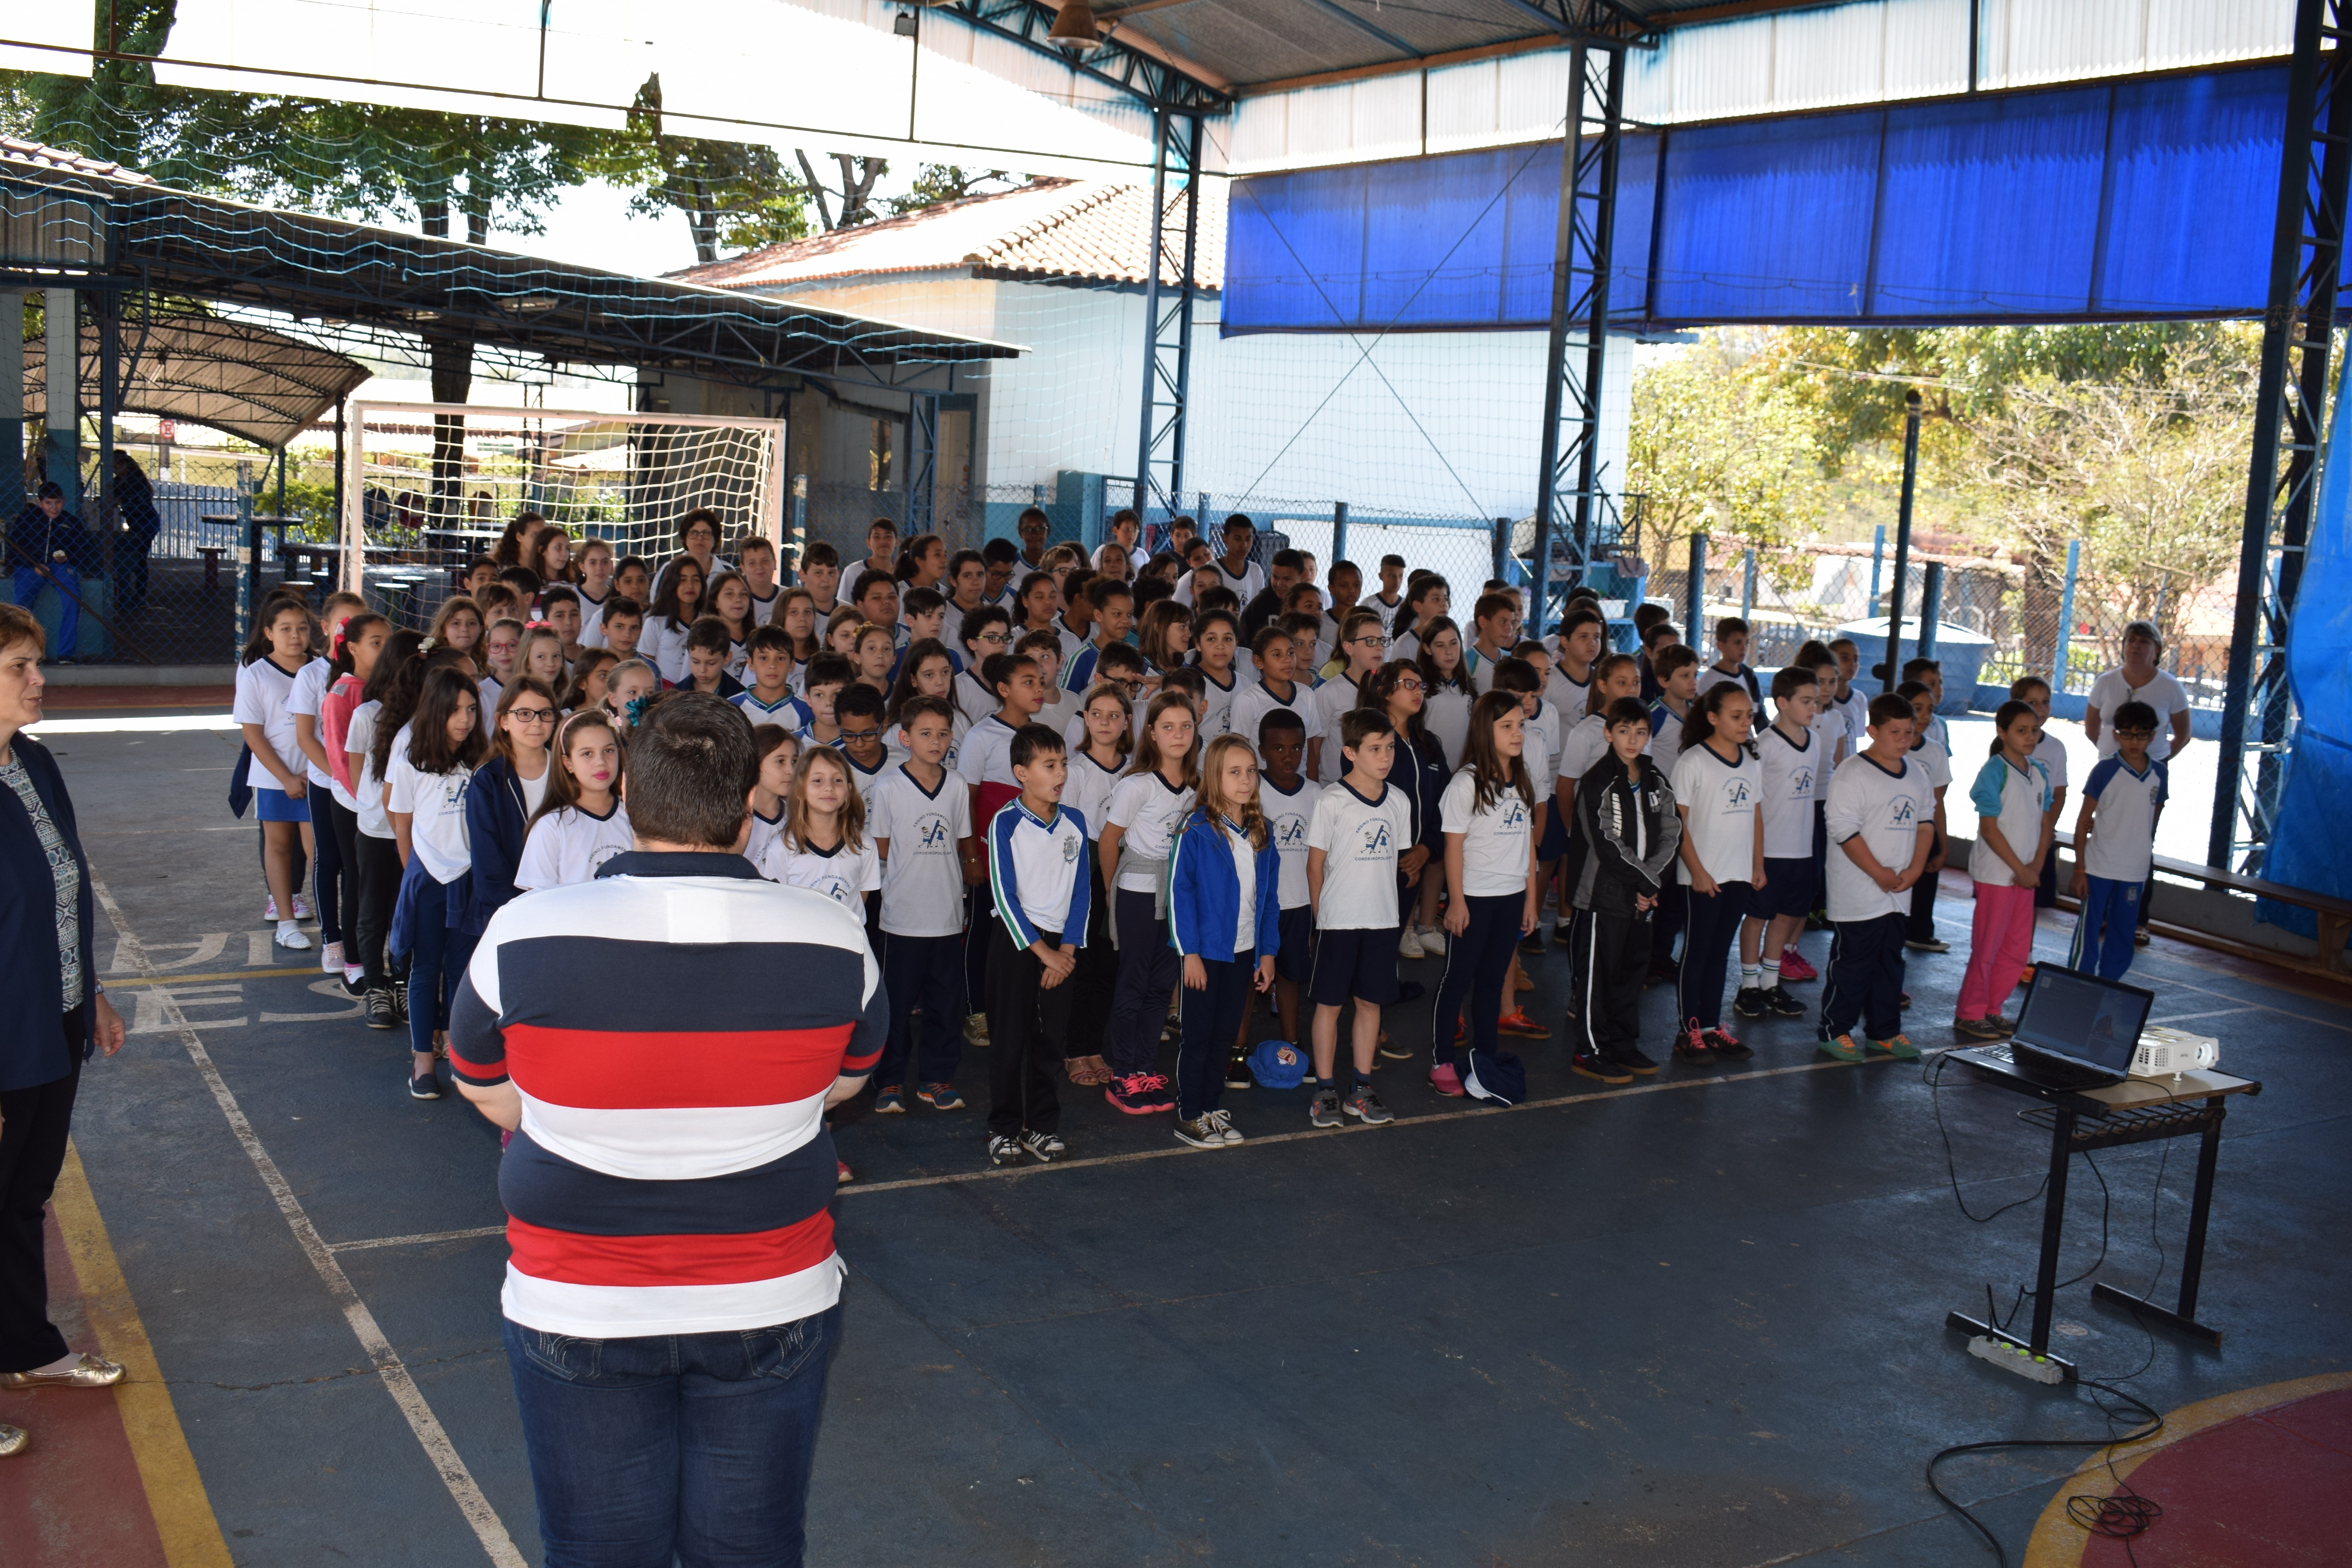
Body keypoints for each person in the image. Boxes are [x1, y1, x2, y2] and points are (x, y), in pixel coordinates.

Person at [448, 693, 878, 1567]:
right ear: (750, 803)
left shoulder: (523, 932)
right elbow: (843, 1084)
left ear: (631, 795)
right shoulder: (834, 938)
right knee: (750, 1549)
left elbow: (484, 1087)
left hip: (579, 1303)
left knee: (599, 1551)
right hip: (770, 1298)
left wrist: (586, 1116)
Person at [0, 603, 129, 1459]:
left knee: (23, 1193)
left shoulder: (34, 763)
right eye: (20, 666)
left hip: (53, 1017)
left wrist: (96, 993)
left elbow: (62, 890)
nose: (40, 678)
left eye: (36, 662)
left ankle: (24, 1347)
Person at [984, 723, 1091, 1167]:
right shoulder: (1005, 823)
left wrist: (1066, 952)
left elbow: (1083, 892)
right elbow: (1003, 896)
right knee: (1009, 1041)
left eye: (1063, 763)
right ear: (1022, 773)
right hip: (1016, 943)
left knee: (1050, 1042)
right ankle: (1004, 1129)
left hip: (1060, 951)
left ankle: (1042, 1127)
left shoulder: (1076, 822)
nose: (1061, 773)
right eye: (1049, 765)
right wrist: (1044, 953)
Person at [1167, 733, 1282, 1148]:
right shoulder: (1195, 830)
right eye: (1235, 772)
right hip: (1205, 953)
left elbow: (1269, 900)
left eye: (1251, 771)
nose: (1246, 780)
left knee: (1224, 1035)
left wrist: (1267, 953)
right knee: (1198, 1035)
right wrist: (1190, 954)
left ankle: (1210, 1107)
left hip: (1244, 950)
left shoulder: (1263, 831)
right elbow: (1179, 895)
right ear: (1214, 777)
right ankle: (1189, 1114)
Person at [1304, 709, 1416, 1127]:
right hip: (1338, 922)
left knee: (1371, 1003)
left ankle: (1361, 1089)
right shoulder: (1331, 800)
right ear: (1351, 752)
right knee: (1330, 1004)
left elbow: (1394, 862)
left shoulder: (1399, 801)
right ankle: (1325, 1090)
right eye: (1374, 749)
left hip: (1382, 921)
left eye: (1390, 748)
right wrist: (1321, 917)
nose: (1385, 757)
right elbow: (1315, 865)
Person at [869, 696, 981, 1114]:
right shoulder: (888, 786)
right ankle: (890, 1080)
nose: (936, 741)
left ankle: (937, 1078)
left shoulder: (956, 785)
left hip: (947, 915)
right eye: (925, 733)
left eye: (943, 734)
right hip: (902, 917)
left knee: (945, 1005)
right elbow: (882, 846)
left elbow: (961, 838)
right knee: (896, 1007)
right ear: (905, 738)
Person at [1428, 690, 1541, 1096]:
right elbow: (1453, 846)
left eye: (1520, 726)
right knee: (1458, 979)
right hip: (1474, 899)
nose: (1517, 734)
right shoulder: (1466, 782)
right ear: (1484, 730)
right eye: (1506, 726)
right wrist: (1456, 901)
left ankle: (1485, 1059)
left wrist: (1531, 900)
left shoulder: (1523, 779)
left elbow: (1528, 845)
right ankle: (1442, 1061)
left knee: (1493, 981)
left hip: (1512, 897)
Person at [1097, 692, 1200, 1114]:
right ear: (1152, 733)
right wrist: (1112, 893)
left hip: (1175, 894)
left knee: (1160, 986)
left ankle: (1144, 1068)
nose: (1178, 734)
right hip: (1138, 893)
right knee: (1133, 983)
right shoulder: (1137, 785)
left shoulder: (1197, 788)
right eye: (1168, 727)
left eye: (1186, 726)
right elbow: (1108, 841)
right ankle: (1122, 1072)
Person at [387, 666, 487, 1099]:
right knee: (426, 967)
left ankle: (456, 1047)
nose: (464, 719)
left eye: (471, 709)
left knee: (462, 969)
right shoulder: (411, 758)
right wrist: (416, 874)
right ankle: (422, 1059)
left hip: (470, 879)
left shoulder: (482, 758)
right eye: (454, 710)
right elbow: (402, 823)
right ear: (435, 710)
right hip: (429, 877)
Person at [1568, 698, 1681, 1082]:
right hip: (1604, 896)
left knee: (1633, 972)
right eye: (1624, 731)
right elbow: (1606, 843)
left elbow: (1673, 832)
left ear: (1649, 736)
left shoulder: (1655, 778)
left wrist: (1652, 882)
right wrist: (1645, 882)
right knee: (1598, 976)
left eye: (1641, 732)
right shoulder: (1597, 781)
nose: (1632, 740)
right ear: (1608, 733)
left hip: (1644, 897)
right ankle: (1590, 1050)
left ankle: (1621, 1042)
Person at [1818, 693, 1935, 1062]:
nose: (1903, 740)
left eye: (1909, 733)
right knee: (1853, 964)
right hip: (1858, 891)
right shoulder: (1852, 772)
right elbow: (1842, 829)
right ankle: (1835, 1030)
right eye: (1894, 732)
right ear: (1872, 731)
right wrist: (1878, 873)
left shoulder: (1916, 773)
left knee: (1890, 962)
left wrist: (1914, 870)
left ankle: (1884, 1032)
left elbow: (1926, 824)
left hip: (1898, 891)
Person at [1668, 681, 1762, 1065]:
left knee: (1720, 952)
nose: (1745, 723)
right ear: (1712, 718)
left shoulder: (1751, 760)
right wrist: (1697, 871)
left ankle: (1710, 1026)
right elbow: (1677, 823)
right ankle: (1688, 1031)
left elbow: (1756, 815)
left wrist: (1757, 864)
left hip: (1739, 875)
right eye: (1736, 716)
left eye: (1749, 716)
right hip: (1703, 878)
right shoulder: (1693, 761)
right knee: (1697, 952)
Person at [2084, 621, 2192, 945]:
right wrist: (2115, 761)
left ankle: (2137, 920)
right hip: (2110, 774)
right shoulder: (2106, 682)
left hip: (2148, 777)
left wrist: (2155, 763)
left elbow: (2183, 734)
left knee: (2142, 842)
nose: (2136, 646)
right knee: (2105, 835)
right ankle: (2102, 912)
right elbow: (2092, 727)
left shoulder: (2170, 687)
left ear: (2156, 650)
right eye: (2131, 640)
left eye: (2144, 642)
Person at [1955, 700, 2056, 1039]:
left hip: (2025, 877)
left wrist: (2035, 866)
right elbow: (1990, 829)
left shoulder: (2038, 772)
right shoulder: (1994, 771)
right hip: (1997, 875)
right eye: (2021, 731)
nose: (2030, 737)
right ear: (2002, 732)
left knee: (2015, 949)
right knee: (1988, 946)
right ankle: (1970, 1012)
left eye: (2035, 731)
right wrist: (2019, 868)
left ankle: (1993, 1008)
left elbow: (2045, 824)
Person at [236, 597, 327, 952]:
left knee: (318, 851)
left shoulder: (321, 669)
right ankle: (286, 924)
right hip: (274, 777)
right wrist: (286, 777)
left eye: (302, 628)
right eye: (286, 629)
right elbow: (253, 733)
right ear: (269, 633)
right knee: (278, 846)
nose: (295, 636)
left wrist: (314, 768)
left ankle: (330, 928)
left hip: (317, 776)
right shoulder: (256, 673)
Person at [1733, 667, 1822, 1024]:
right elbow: (1752, 802)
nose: (1813, 708)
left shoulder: (1815, 741)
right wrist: (1755, 857)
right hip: (1769, 850)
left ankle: (1771, 983)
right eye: (1806, 701)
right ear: (1782, 703)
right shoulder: (1764, 745)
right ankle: (1749, 985)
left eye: (1816, 701)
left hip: (1801, 850)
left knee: (1786, 916)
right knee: (1757, 917)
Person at [2069, 700, 2167, 982]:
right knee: (2090, 927)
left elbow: (2153, 819)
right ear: (2116, 735)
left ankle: (2110, 982)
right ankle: (2079, 981)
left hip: (2134, 870)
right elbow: (2083, 820)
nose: (2134, 742)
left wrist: (2143, 851)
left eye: (2141, 735)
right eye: (2127, 734)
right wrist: (2080, 868)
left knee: (2124, 930)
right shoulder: (2105, 770)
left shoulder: (2160, 773)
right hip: (2099, 865)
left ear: (2152, 736)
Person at [463, 679, 560, 927]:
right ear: (503, 721)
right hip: (509, 912)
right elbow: (487, 862)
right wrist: (519, 913)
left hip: (562, 903)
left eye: (545, 713)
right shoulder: (488, 779)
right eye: (524, 714)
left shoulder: (567, 770)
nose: (537, 723)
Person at [514, 710, 632, 891]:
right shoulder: (551, 827)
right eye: (587, 754)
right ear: (568, 763)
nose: (601, 762)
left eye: (608, 751)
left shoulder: (636, 815)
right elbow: (538, 901)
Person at [7, 483, 95, 661]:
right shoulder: (27, 519)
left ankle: (66, 654)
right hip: (31, 566)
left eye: (58, 503)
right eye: (48, 503)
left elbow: (86, 550)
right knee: (20, 607)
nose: (54, 508)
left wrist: (68, 557)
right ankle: (24, 653)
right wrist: (33, 564)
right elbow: (14, 549)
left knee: (73, 600)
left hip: (60, 567)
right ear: (40, 503)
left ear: (64, 501)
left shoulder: (71, 522)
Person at [1897, 680, 1953, 954]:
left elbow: (1938, 802)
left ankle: (1920, 932)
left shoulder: (1936, 751)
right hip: (1895, 831)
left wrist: (1942, 846)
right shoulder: (1892, 747)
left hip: (1924, 830)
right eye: (1917, 708)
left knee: (1925, 883)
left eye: (1930, 709)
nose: (1925, 716)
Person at [111, 452, 162, 617]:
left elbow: (138, 500)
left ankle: (140, 595)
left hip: (147, 522)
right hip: (135, 523)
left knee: (140, 558)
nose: (116, 470)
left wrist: (122, 501)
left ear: (126, 465)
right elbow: (113, 497)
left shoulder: (137, 481)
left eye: (118, 466)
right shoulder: (118, 481)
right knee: (132, 556)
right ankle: (131, 594)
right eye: (114, 467)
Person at [1697, 617, 1762, 705]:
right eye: (1738, 643)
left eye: (1747, 643)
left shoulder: (1749, 675)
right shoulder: (1709, 680)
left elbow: (1758, 708)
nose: (1744, 648)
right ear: (1721, 646)